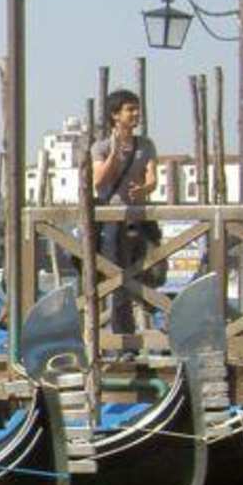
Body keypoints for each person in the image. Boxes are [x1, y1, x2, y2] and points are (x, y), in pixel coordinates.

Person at [89, 90, 157, 333]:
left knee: (154, 270)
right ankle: (122, 337)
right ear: (115, 115)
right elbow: (98, 180)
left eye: (137, 109)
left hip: (139, 217)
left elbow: (152, 178)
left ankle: (148, 321)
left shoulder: (145, 145)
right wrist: (114, 154)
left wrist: (144, 188)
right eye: (130, 109)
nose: (136, 114)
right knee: (117, 276)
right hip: (111, 218)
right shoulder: (101, 147)